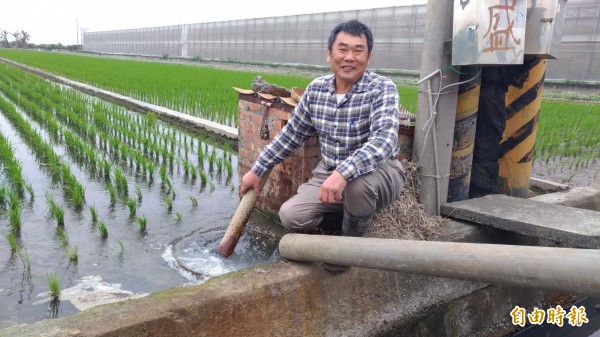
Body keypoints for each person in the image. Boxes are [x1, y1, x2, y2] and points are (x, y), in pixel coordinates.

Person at [240, 19, 406, 270]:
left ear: (368, 57)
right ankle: (346, 217)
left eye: (358, 50)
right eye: (342, 49)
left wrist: (344, 172)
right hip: (329, 173)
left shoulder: (382, 88)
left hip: (379, 172)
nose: (349, 57)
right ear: (329, 54)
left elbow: (384, 141)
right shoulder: (316, 90)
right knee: (290, 215)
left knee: (357, 186)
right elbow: (290, 135)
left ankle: (348, 249)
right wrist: (257, 169)